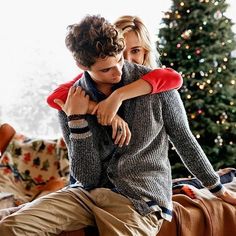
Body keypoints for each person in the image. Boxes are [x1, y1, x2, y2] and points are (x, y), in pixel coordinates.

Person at [1, 14, 236, 236]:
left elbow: (185, 141)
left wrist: (217, 189)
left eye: (121, 60)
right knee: (10, 227)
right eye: (105, 69)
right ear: (83, 66)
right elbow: (87, 177)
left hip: (139, 200)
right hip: (85, 195)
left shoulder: (158, 89)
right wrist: (78, 121)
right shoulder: (72, 102)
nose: (117, 72)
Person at [46, 15, 182, 131]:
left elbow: (174, 78)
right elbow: (54, 98)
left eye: (135, 50)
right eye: (122, 54)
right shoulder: (96, 77)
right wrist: (95, 107)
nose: (128, 60)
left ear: (146, 51)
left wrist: (117, 96)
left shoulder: (152, 78)